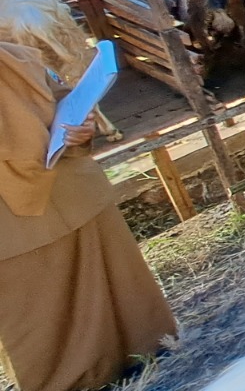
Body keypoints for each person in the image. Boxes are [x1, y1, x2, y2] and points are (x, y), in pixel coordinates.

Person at [0, 41, 177, 391]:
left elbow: (66, 102)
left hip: (72, 192)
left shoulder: (17, 55)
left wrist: (82, 128)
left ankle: (142, 354)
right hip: (13, 225)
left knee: (122, 290)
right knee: (37, 317)